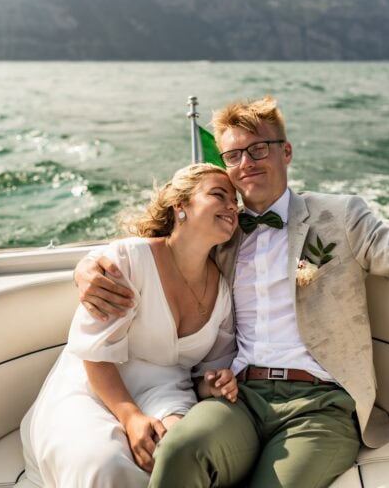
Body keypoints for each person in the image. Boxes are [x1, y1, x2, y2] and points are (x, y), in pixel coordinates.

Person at [74, 97, 389, 488]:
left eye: (258, 150)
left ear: (286, 152)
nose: (245, 164)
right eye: (233, 156)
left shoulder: (339, 216)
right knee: (180, 452)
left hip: (322, 404)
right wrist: (87, 268)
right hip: (241, 395)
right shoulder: (222, 234)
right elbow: (162, 253)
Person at [20, 163, 241, 488]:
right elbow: (94, 356)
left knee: (176, 456)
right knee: (106, 466)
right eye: (218, 195)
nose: (232, 205)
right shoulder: (128, 260)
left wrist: (213, 384)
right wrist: (131, 417)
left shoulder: (222, 290)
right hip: (94, 385)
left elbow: (204, 374)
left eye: (235, 200)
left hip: (167, 392)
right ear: (181, 206)